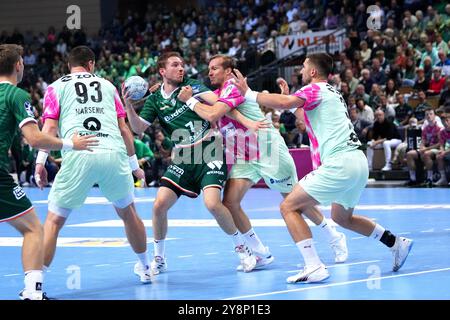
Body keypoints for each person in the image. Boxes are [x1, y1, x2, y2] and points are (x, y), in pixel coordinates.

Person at [231, 52, 413, 283]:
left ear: (314, 72)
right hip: (357, 162)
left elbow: (288, 103)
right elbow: (302, 118)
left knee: (288, 206)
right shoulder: (332, 92)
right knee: (342, 217)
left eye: (305, 67)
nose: (302, 70)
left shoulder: (314, 88)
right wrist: (289, 102)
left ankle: (314, 266)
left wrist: (248, 93)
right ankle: (396, 243)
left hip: (340, 163)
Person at [177, 54, 348, 271]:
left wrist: (189, 100)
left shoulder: (232, 86)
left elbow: (212, 114)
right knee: (230, 203)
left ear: (228, 71)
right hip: (244, 157)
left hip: (268, 151)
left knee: (295, 201)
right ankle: (260, 252)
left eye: (214, 68)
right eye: (209, 68)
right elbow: (213, 117)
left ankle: (333, 235)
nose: (209, 72)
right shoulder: (218, 94)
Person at [122, 51, 264, 275]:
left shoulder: (192, 86)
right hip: (184, 157)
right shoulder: (156, 100)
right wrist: (128, 105)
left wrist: (243, 119)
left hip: (209, 149)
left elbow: (220, 104)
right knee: (159, 205)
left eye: (182, 65)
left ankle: (243, 249)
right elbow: (138, 128)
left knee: (212, 204)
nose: (181, 69)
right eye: (175, 65)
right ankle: (159, 258)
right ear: (162, 71)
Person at [34, 46, 153, 285]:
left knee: (54, 221)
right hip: (112, 153)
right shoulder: (108, 86)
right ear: (91, 64)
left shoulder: (55, 87)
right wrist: (134, 166)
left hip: (78, 152)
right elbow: (124, 130)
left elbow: (48, 130)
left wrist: (40, 162)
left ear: (70, 65)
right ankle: (146, 267)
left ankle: (35, 284)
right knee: (128, 213)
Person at [0, 44, 96, 300]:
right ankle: (33, 293)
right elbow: (34, 138)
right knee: (33, 229)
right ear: (18, 65)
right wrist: (70, 144)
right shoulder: (16, 95)